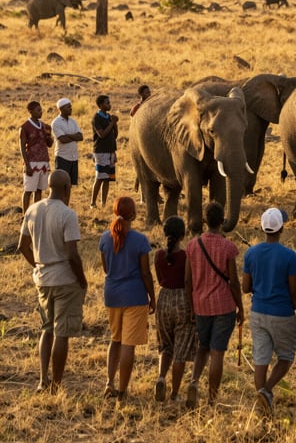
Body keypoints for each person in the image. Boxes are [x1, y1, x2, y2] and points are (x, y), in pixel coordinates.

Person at [17, 169, 88, 393]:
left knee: (46, 329)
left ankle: (42, 380)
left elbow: (22, 246)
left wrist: (38, 265)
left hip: (43, 278)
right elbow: (72, 254)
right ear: (67, 189)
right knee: (61, 333)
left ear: (49, 186)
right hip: (65, 278)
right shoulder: (67, 214)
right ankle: (56, 385)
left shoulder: (33, 209)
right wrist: (82, 279)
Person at [242, 207, 296, 416]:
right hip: (282, 313)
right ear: (282, 229)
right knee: (286, 358)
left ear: (262, 228)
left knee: (261, 359)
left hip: (258, 312)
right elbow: (294, 291)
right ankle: (266, 391)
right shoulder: (289, 255)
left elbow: (245, 287)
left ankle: (263, 403)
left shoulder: (251, 253)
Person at [185, 201, 244, 408]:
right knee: (217, 352)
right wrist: (241, 308)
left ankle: (193, 382)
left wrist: (191, 306)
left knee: (203, 347)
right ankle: (212, 399)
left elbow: (188, 281)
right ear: (222, 221)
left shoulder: (192, 245)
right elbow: (234, 281)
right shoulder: (229, 247)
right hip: (223, 305)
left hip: (200, 305)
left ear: (204, 221)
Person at [99, 196, 156, 401]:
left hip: (112, 295)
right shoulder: (140, 240)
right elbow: (145, 273)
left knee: (115, 339)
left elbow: (106, 269)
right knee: (128, 345)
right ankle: (122, 391)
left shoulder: (105, 238)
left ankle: (109, 383)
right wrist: (152, 296)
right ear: (133, 214)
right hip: (134, 295)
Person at [153, 215, 197, 403]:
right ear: (183, 234)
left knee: (166, 346)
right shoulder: (187, 256)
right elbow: (188, 281)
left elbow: (159, 277)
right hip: (182, 300)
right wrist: (193, 307)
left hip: (163, 298)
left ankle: (161, 377)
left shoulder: (158, 255)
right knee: (181, 350)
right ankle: (174, 393)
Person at [20, 100, 54, 211]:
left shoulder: (44, 126)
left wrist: (49, 134)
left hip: (44, 161)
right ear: (30, 111)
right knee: (28, 190)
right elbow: (22, 147)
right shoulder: (25, 127)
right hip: (32, 161)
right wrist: (27, 165)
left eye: (41, 110)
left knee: (39, 190)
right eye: (38, 110)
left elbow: (49, 144)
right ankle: (25, 214)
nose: (41, 112)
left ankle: (36, 213)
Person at [91, 95, 118, 209]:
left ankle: (103, 203)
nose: (109, 105)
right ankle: (93, 202)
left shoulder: (108, 117)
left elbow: (115, 135)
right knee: (100, 177)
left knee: (107, 178)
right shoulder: (97, 118)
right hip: (101, 151)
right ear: (101, 105)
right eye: (107, 103)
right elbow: (101, 134)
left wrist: (115, 124)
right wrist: (112, 123)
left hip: (110, 150)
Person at [51, 98, 83, 187]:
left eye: (70, 106)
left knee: (69, 185)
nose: (70, 108)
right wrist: (74, 136)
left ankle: (66, 201)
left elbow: (80, 137)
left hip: (73, 157)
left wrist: (67, 135)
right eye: (68, 107)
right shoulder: (56, 123)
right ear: (61, 109)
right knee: (61, 184)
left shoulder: (73, 121)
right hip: (62, 157)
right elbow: (63, 140)